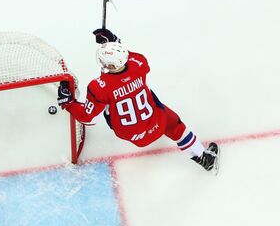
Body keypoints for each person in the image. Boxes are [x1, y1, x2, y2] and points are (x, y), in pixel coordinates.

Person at [57, 29, 219, 172]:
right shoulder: (139, 64)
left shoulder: (98, 87)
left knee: (108, 102)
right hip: (157, 124)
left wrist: (67, 102)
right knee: (175, 124)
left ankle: (111, 104)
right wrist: (114, 41)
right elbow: (128, 58)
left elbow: (86, 116)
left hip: (130, 135)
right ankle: (203, 157)